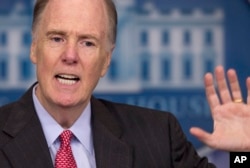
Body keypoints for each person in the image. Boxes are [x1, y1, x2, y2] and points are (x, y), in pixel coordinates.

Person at [0, 0, 249, 167]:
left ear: (106, 60)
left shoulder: (159, 135)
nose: (70, 55)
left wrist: (243, 154)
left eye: (88, 42)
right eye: (57, 38)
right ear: (34, 48)